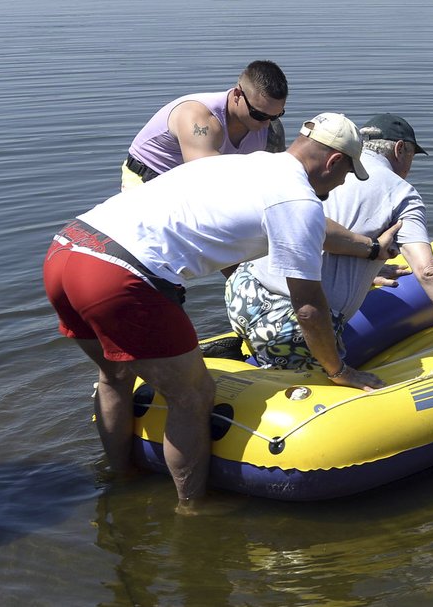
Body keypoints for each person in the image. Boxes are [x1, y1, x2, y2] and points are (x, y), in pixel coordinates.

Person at [44, 112, 396, 512]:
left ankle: (121, 476)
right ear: (334, 162)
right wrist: (339, 371)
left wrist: (369, 248)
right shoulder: (298, 200)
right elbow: (310, 309)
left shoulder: (249, 164)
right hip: (120, 278)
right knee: (193, 394)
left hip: (67, 249)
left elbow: (315, 229)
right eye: (347, 175)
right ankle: (192, 507)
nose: (340, 186)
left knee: (115, 375)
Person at [226, 113, 433, 370]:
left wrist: (367, 270)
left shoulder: (320, 168)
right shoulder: (401, 193)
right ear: (400, 148)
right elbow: (427, 270)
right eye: (412, 157)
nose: (410, 165)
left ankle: (234, 356)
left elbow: (313, 234)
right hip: (290, 322)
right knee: (327, 379)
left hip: (242, 292)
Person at [121, 60, 289, 189]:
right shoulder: (198, 118)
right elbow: (205, 182)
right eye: (259, 114)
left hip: (194, 187)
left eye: (276, 115)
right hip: (150, 178)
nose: (267, 123)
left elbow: (275, 179)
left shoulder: (270, 128)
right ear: (237, 94)